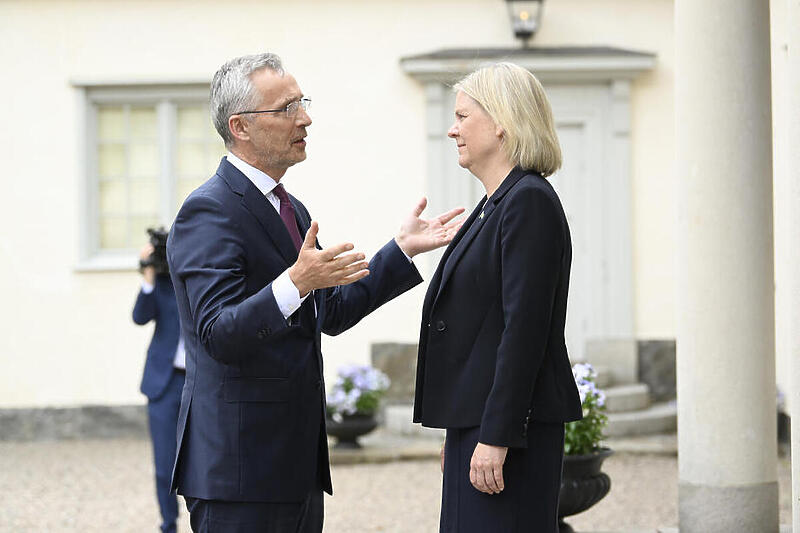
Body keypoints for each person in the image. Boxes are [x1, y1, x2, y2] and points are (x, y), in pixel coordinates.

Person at [166, 52, 464, 533]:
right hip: (238, 475)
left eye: (301, 102)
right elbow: (217, 334)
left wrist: (401, 249)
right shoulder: (208, 211)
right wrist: (295, 282)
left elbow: (331, 311)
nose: (304, 118)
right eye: (287, 108)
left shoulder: (292, 208)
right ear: (240, 126)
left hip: (296, 468)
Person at [412, 62, 583, 532]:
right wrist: (462, 426)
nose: (452, 130)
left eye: (463, 116)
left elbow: (524, 330)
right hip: (483, 423)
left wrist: (497, 434)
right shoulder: (497, 203)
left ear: (502, 121)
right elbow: (481, 330)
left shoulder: (528, 201)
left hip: (512, 433)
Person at [132, 235, 185, 533]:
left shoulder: (204, 279)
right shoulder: (161, 287)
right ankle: (169, 525)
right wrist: (148, 276)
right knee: (165, 466)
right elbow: (140, 317)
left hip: (201, 383)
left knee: (205, 462)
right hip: (164, 384)